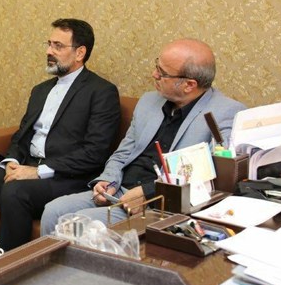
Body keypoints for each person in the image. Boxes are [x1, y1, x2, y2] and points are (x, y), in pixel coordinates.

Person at [40, 38, 246, 234]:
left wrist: (147, 192)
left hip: (159, 203)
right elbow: (123, 152)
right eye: (157, 66)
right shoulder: (149, 102)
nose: (154, 74)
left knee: (79, 222)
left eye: (162, 73)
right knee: (53, 210)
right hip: (120, 190)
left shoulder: (225, 113)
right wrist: (107, 181)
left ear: (189, 85)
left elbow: (208, 175)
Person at [0, 19, 121, 251]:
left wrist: (38, 172)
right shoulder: (40, 90)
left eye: (58, 46)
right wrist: (11, 162)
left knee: (15, 191)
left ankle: (9, 266)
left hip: (65, 178)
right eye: (49, 44)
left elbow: (95, 153)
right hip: (27, 167)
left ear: (80, 53)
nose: (49, 51)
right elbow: (22, 135)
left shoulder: (101, 92)